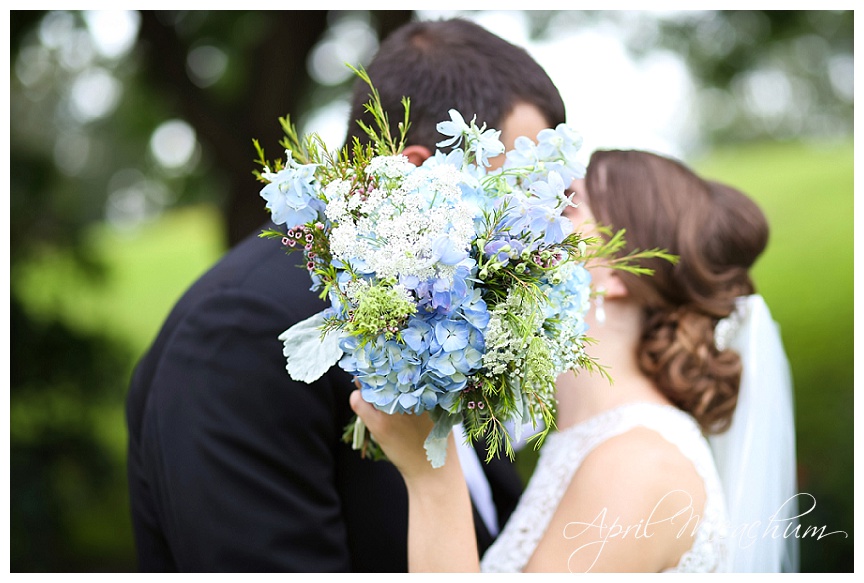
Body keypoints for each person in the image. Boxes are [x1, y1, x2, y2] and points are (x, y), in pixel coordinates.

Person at [125, 18, 569, 572]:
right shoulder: (240, 330)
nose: (542, 225)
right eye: (519, 189)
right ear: (421, 172)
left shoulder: (451, 305)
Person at [350, 149, 799, 572]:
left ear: (622, 270)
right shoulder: (588, 440)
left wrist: (431, 476)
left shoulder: (638, 464)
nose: (528, 209)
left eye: (566, 207)